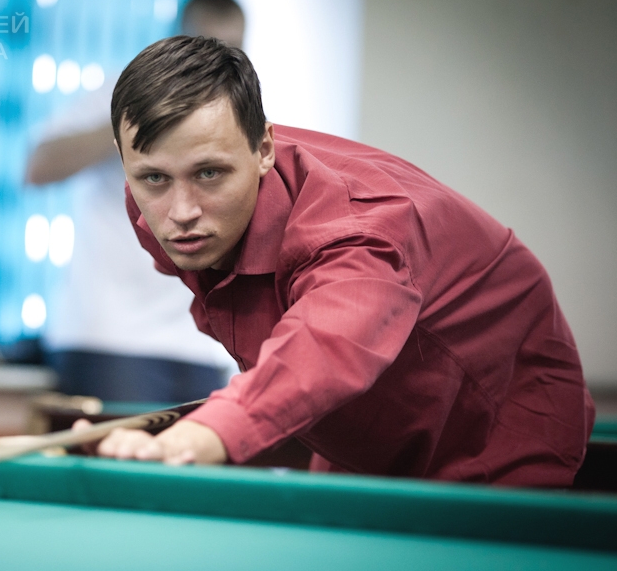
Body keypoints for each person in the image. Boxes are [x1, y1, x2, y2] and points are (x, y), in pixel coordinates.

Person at [84, 35, 595, 487]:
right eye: (154, 177)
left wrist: (197, 437)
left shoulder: (356, 232)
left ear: (264, 148)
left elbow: (325, 344)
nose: (181, 212)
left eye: (210, 174)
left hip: (499, 423)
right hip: (364, 421)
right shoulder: (156, 206)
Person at [24, 0, 246, 402]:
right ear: (175, 41)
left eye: (231, 49)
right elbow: (39, 167)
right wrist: (137, 117)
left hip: (198, 345)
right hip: (111, 338)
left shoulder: (233, 118)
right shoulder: (122, 91)